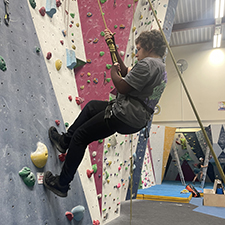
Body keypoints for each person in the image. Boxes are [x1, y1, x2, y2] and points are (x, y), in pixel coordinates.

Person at [43, 28, 167, 197]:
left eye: (138, 49)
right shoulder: (160, 68)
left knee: (80, 137)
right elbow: (126, 72)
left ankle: (62, 184)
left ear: (150, 46)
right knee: (93, 107)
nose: (136, 54)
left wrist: (112, 74)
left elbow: (122, 85)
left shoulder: (148, 64)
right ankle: (64, 141)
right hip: (135, 117)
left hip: (124, 114)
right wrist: (112, 47)